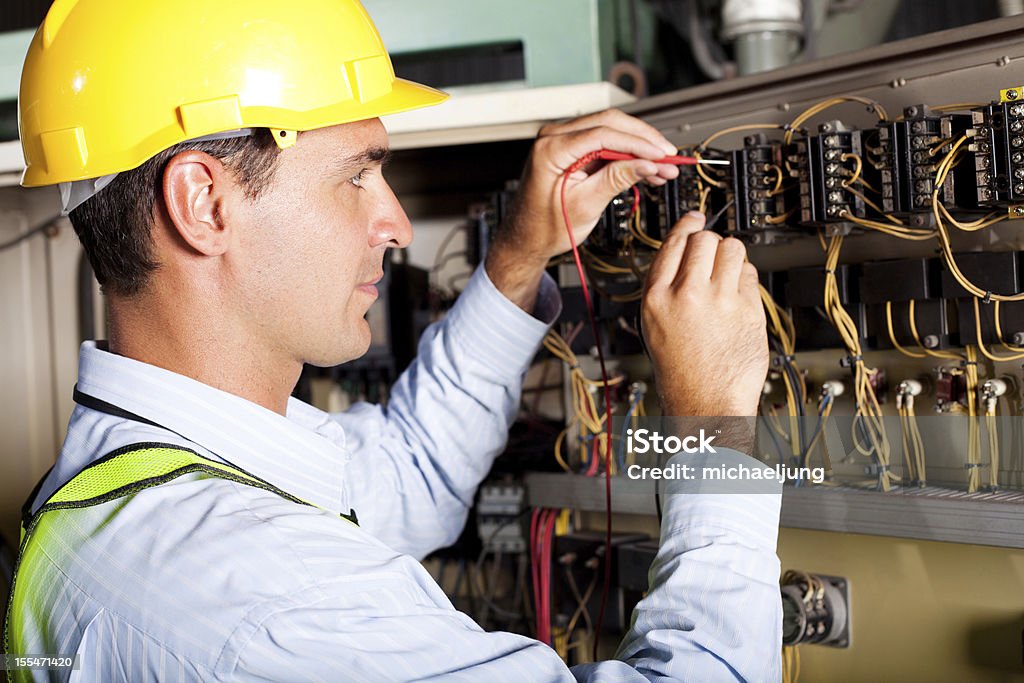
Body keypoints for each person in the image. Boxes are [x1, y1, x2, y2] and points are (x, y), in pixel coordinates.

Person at [6, 1, 779, 681]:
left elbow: (410, 475)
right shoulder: (270, 603)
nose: (397, 225)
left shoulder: (130, 484)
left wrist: (513, 260)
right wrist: (713, 424)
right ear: (204, 203)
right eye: (355, 177)